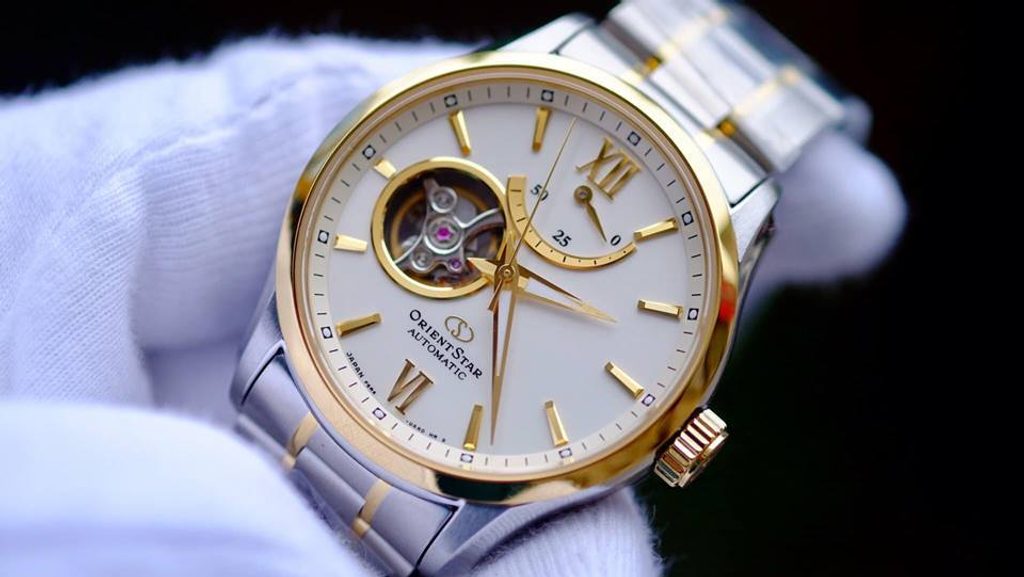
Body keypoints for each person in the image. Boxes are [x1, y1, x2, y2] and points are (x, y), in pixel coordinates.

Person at [0, 35, 905, 576]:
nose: (505, 274)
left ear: (677, 432)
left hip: (444, 495)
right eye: (494, 255)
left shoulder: (733, 228)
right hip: (306, 348)